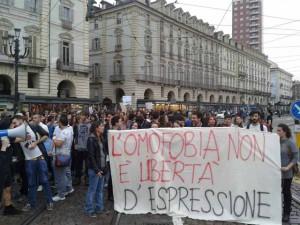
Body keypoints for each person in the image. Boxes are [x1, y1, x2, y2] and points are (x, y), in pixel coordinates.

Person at [13, 115, 53, 211]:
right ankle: (31, 203)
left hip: (40, 158)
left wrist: (36, 142)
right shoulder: (15, 131)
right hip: (28, 160)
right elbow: (14, 140)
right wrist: (24, 138)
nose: (14, 125)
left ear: (22, 121)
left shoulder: (33, 126)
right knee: (31, 183)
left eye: (15, 122)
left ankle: (49, 202)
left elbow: (46, 135)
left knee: (44, 181)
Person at [277, 124, 299, 223]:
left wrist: (288, 167)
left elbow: (295, 158)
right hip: (276, 173)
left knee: (286, 192)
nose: (277, 132)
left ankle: (286, 213)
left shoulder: (290, 143)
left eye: (279, 131)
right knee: (276, 192)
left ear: (284, 131)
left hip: (287, 173)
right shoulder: (275, 142)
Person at [85, 121, 107, 218]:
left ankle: (99, 208)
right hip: (95, 169)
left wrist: (104, 167)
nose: (103, 127)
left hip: (101, 168)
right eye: (101, 126)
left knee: (100, 190)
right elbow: (91, 156)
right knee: (92, 190)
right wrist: (96, 169)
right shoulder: (91, 139)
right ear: (96, 128)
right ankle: (89, 209)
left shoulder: (101, 138)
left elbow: (104, 153)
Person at [0, 118, 22, 215]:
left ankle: (8, 207)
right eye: (12, 124)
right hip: (1, 167)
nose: (14, 126)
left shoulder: (7, 135)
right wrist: (3, 148)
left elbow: (20, 138)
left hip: (7, 166)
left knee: (8, 187)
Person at [52, 114, 74, 202]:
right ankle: (69, 188)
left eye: (58, 121)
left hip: (61, 156)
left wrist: (54, 138)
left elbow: (58, 144)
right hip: (66, 154)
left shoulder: (64, 132)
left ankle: (61, 194)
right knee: (66, 173)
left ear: (60, 123)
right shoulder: (70, 129)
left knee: (60, 176)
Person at [73, 112, 91, 185]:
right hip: (79, 147)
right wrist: (75, 144)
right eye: (81, 116)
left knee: (87, 165)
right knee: (78, 164)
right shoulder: (76, 125)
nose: (82, 117)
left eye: (83, 115)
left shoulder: (90, 125)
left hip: (87, 147)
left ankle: (86, 179)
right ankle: (78, 178)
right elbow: (75, 135)